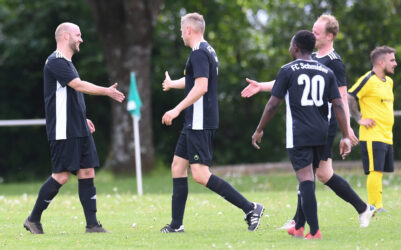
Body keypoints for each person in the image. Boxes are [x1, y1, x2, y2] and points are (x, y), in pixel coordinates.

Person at [242, 15, 375, 232]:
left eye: (317, 31)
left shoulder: (334, 62)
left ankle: (352, 211)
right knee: (313, 174)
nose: (313, 34)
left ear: (329, 36)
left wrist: (347, 129)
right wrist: (261, 86)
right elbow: (289, 78)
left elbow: (341, 97)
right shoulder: (310, 57)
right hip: (315, 123)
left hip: (325, 122)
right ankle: (300, 223)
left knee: (314, 174)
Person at [160, 13, 264, 233]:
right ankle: (176, 225)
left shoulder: (198, 53)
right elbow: (192, 81)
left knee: (200, 174)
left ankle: (250, 208)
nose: (181, 34)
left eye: (181, 30)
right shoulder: (207, 50)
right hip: (194, 122)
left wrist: (176, 109)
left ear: (189, 30)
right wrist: (172, 83)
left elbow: (201, 87)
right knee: (178, 167)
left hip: (199, 122)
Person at [23, 22, 125, 234]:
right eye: (78, 35)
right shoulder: (55, 61)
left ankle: (92, 225)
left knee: (87, 171)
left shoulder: (67, 62)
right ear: (65, 36)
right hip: (63, 130)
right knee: (61, 176)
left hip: (77, 126)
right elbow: (78, 85)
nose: (81, 39)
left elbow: (69, 95)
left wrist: (82, 118)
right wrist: (106, 91)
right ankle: (33, 219)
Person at [252, 30, 351, 239]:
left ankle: (314, 231)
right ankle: (298, 227)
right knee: (310, 177)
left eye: (290, 46)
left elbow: (272, 104)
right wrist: (345, 135)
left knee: (306, 179)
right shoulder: (326, 71)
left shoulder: (287, 70)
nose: (289, 49)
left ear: (295, 48)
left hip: (299, 133)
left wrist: (259, 129)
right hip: (322, 132)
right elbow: (339, 105)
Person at [348, 46, 397, 213]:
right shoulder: (368, 80)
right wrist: (359, 118)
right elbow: (349, 96)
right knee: (374, 170)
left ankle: (378, 204)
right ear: (381, 62)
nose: (395, 63)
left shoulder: (389, 82)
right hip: (372, 135)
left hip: (386, 135)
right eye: (392, 60)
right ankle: (375, 206)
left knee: (379, 170)